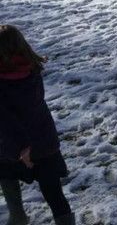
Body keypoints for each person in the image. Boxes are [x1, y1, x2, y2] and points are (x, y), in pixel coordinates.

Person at [0, 25, 74, 225]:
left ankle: (18, 218)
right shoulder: (32, 70)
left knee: (7, 179)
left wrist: (23, 147)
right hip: (44, 141)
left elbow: (6, 120)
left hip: (12, 147)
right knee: (54, 194)